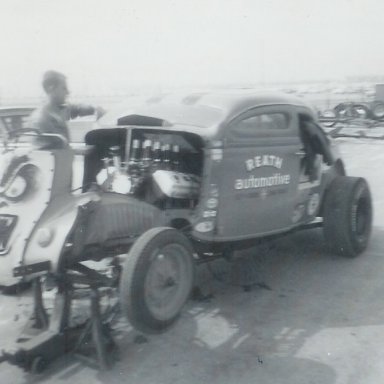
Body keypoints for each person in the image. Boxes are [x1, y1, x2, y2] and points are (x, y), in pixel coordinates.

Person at [30, 70, 104, 142]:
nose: (68, 92)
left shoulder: (61, 107)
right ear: (51, 89)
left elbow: (78, 108)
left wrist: (95, 109)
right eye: (64, 88)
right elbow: (55, 147)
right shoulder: (41, 118)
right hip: (54, 153)